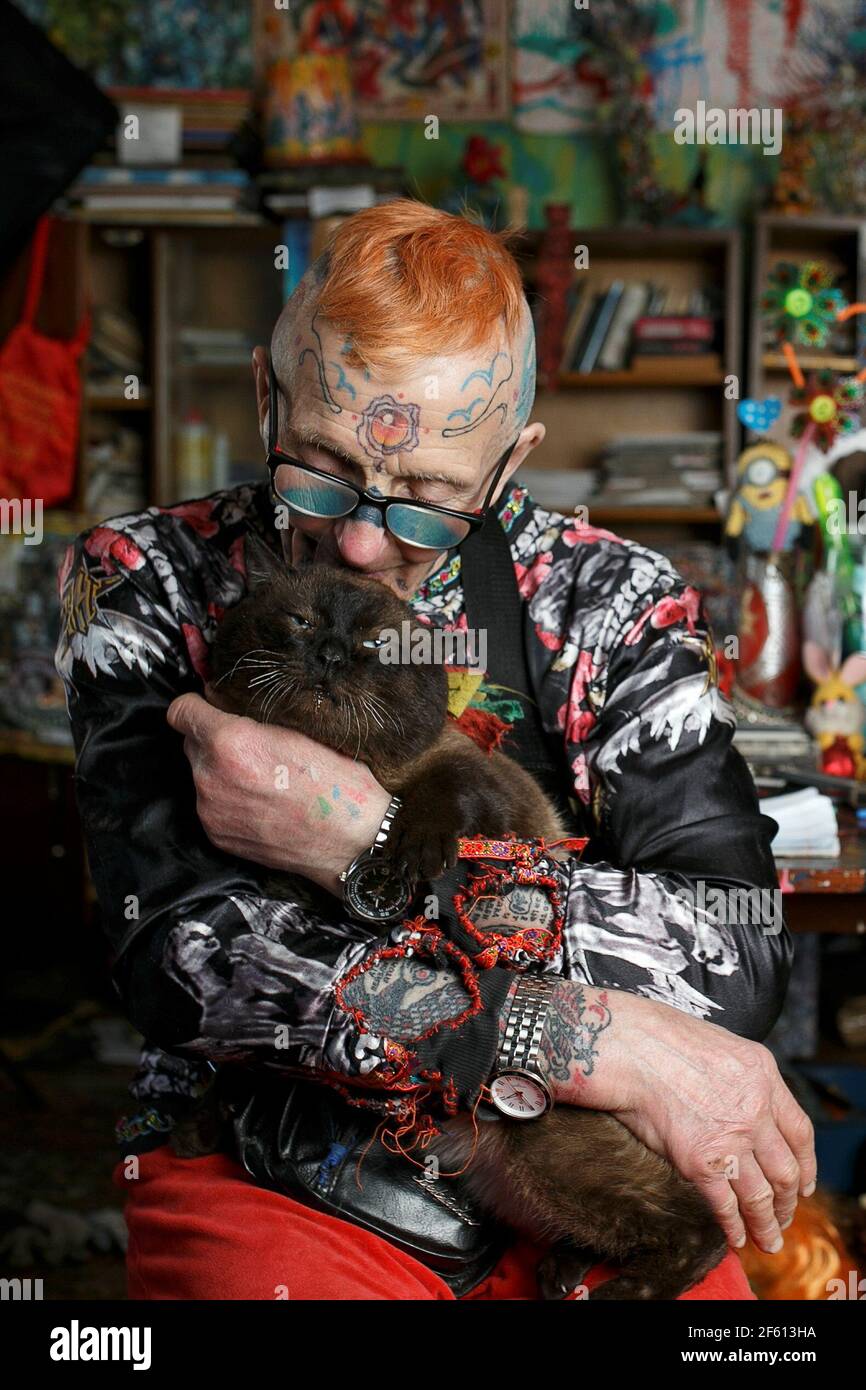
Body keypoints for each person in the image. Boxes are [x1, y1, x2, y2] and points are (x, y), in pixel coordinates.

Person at [55, 200, 815, 1301]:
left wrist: (356, 840)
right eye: (316, 465)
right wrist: (607, 1041)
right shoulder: (137, 578)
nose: (360, 541)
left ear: (507, 466)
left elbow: (731, 958)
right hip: (279, 1165)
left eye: (423, 501)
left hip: (595, 1161)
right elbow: (187, 957)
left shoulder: (612, 599)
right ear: (265, 396)